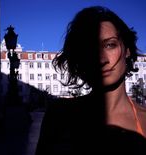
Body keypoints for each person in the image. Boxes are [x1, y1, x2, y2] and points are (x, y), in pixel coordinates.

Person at [36, 6, 146, 154]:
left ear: (127, 50)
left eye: (110, 45)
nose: (101, 59)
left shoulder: (144, 118)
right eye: (90, 49)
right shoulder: (59, 116)